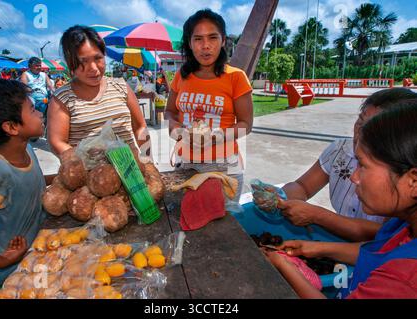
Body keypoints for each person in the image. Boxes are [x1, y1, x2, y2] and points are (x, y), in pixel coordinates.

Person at [265, 101, 417, 299]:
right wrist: (315, 248)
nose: (354, 177)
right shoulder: (403, 224)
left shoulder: (404, 280)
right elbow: (376, 252)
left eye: (362, 165)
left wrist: (283, 265)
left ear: (413, 181)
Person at [279, 88, 417, 241]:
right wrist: (280, 197)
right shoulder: (340, 150)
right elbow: (303, 186)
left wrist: (318, 216)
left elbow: (384, 236)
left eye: (372, 127)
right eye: (360, 121)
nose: (360, 133)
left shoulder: (400, 182)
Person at [0, 79, 54, 299]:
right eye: (33, 110)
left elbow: (28, 183)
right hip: (6, 275)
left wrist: (61, 177)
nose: (40, 114)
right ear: (12, 127)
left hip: (31, 260)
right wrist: (1, 260)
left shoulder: (26, 149)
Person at [164, 9, 253, 201]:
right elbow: (169, 112)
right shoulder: (181, 75)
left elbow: (246, 124)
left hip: (224, 167)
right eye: (198, 39)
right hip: (185, 163)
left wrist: (216, 137)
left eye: (213, 37)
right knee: (186, 221)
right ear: (189, 43)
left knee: (225, 226)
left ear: (223, 41)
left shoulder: (235, 77)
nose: (206, 46)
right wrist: (176, 129)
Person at [47, 25, 148, 157]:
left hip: (131, 172)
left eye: (98, 58)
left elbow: (140, 127)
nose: (93, 68)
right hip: (89, 175)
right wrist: (85, 160)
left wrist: (147, 158)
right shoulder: (62, 99)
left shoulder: (121, 86)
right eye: (83, 61)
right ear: (71, 63)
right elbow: (57, 142)